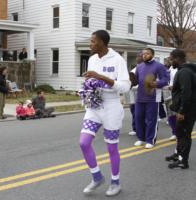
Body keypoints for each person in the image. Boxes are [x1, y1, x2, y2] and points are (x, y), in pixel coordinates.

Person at [79, 30, 130, 196]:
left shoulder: (117, 60)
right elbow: (92, 80)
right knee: (84, 143)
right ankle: (97, 177)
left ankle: (115, 182)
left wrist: (101, 77)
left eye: (93, 41)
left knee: (111, 148)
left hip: (111, 106)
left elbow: (125, 86)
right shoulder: (93, 59)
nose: (90, 44)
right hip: (95, 105)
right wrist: (87, 86)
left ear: (102, 42)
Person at [166, 49, 196, 169]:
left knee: (184, 134)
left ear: (177, 59)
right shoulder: (186, 71)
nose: (170, 61)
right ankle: (178, 154)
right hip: (188, 108)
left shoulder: (184, 72)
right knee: (180, 132)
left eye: (171, 59)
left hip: (187, 109)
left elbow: (187, 93)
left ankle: (183, 161)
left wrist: (182, 111)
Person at [134, 48, 169, 149]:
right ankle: (141, 138)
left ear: (152, 55)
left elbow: (165, 80)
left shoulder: (159, 66)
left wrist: (157, 83)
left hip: (153, 97)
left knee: (151, 120)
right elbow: (136, 80)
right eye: (143, 53)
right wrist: (131, 80)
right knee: (138, 118)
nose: (144, 55)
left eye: (147, 53)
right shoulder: (139, 66)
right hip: (140, 96)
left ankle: (150, 140)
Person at [127, 53, 143, 136]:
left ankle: (141, 129)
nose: (137, 58)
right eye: (137, 56)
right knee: (133, 111)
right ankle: (135, 128)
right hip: (132, 94)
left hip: (141, 95)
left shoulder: (145, 69)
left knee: (140, 113)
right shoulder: (133, 69)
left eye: (139, 56)